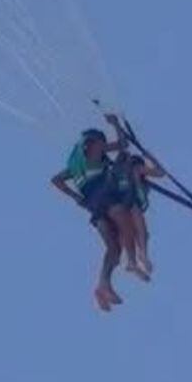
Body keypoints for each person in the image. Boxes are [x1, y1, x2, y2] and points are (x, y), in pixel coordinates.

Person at [51, 115, 142, 311]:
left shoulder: (75, 164)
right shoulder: (95, 148)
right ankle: (133, 261)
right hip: (104, 196)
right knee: (127, 224)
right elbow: (123, 144)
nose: (104, 146)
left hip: (93, 205)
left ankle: (103, 285)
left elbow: (56, 180)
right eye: (102, 142)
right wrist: (116, 124)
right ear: (95, 142)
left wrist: (75, 197)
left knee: (113, 249)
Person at [111, 149, 165, 280]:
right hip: (130, 203)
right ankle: (142, 255)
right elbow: (160, 172)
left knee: (130, 233)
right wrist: (150, 157)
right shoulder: (136, 168)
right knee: (141, 231)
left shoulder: (116, 171)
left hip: (117, 208)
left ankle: (132, 262)